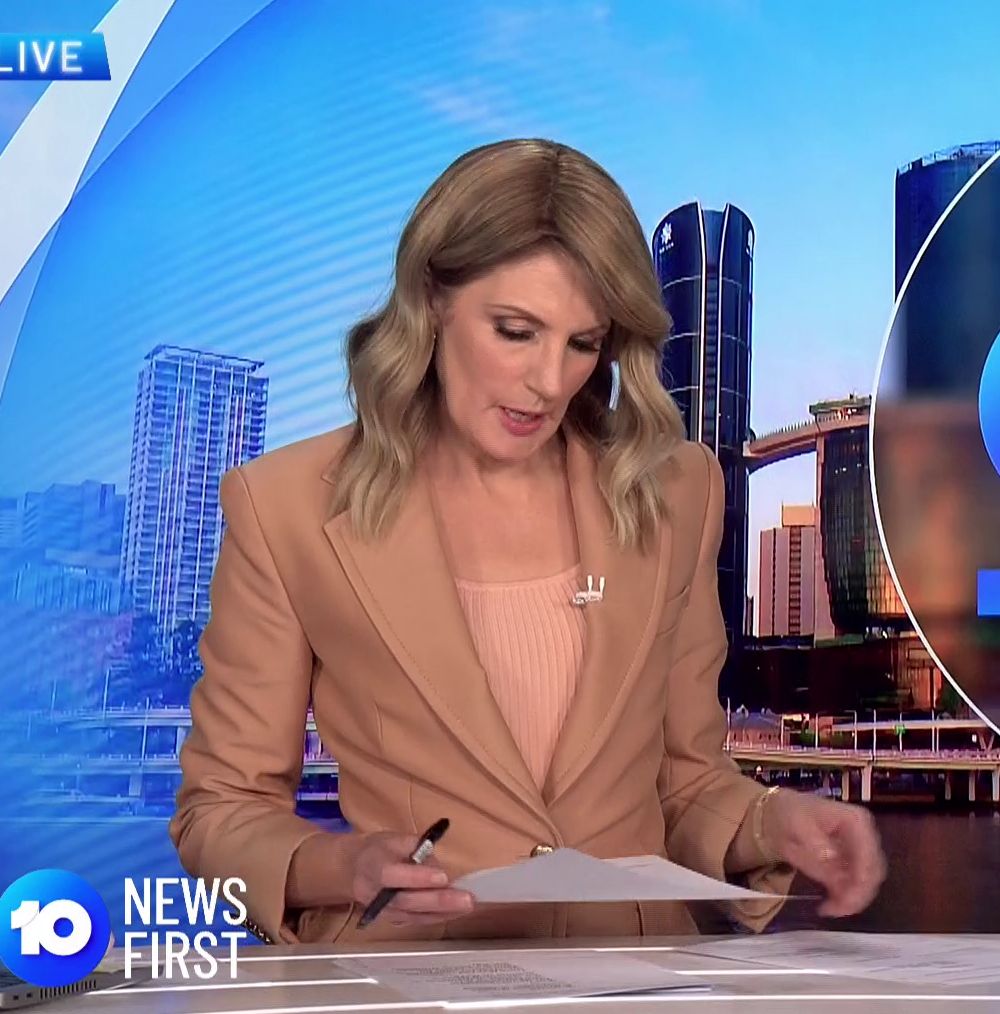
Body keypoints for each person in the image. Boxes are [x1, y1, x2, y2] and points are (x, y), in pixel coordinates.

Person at [169, 138, 887, 946]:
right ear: (432, 300)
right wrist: (343, 866)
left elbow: (685, 783)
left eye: (583, 344)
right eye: (516, 331)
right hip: (413, 976)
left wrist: (772, 820)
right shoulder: (284, 507)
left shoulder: (677, 490)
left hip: (642, 977)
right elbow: (220, 811)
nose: (549, 382)